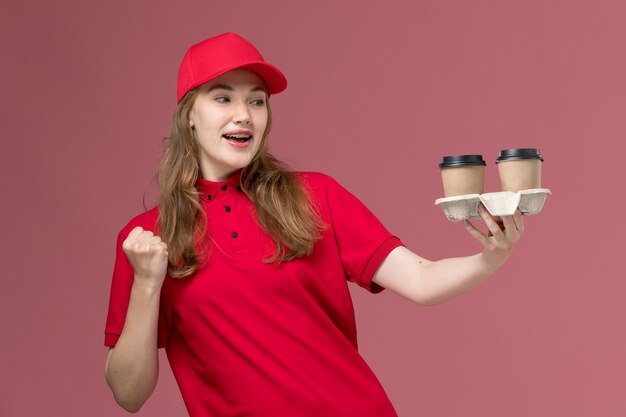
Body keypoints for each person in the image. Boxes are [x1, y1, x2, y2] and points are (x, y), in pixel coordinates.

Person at [104, 32, 524, 417]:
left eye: (256, 100)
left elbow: (421, 279)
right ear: (188, 115)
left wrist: (491, 258)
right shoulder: (147, 239)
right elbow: (129, 393)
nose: (244, 115)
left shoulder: (315, 197)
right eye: (223, 98)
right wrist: (146, 283)